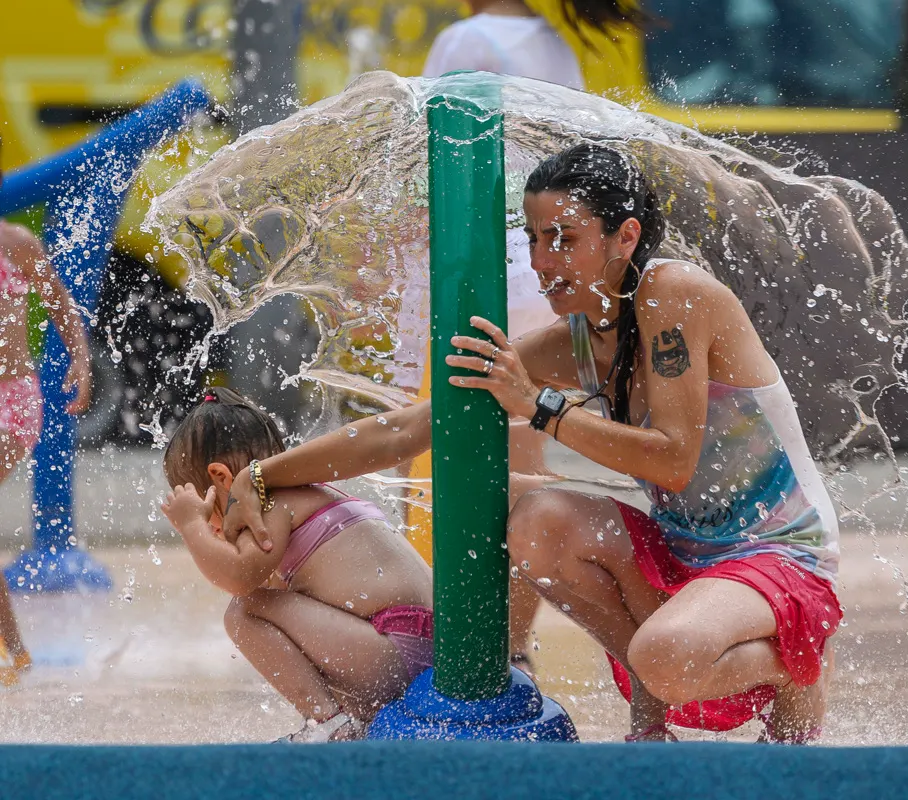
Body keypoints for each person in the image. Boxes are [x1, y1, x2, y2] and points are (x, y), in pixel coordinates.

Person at [221, 143, 839, 744]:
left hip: (779, 554)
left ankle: (796, 663)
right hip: (686, 552)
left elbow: (672, 460)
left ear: (625, 237)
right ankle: (652, 723)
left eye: (564, 239)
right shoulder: (574, 339)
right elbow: (410, 428)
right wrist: (262, 476)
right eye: (535, 239)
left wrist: (539, 407)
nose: (541, 262)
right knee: (535, 520)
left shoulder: (672, 293)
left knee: (666, 656)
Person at [420, 0, 655, 676]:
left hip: (483, 278)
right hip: (546, 281)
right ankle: (510, 651)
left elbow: (435, 172)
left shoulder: (467, 39)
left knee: (466, 467)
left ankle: (483, 658)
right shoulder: (554, 45)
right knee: (519, 478)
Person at [159, 388, 433, 742]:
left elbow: (238, 579)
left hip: (392, 649)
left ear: (222, 478)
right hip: (418, 643)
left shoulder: (269, 504)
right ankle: (346, 721)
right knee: (276, 610)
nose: (214, 528)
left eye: (206, 511)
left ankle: (329, 724)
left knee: (245, 611)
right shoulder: (311, 494)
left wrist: (191, 527)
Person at [0, 180, 93, 686]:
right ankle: (16, 653)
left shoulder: (16, 243)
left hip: (11, 400)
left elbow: (61, 307)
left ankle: (15, 652)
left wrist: (80, 357)